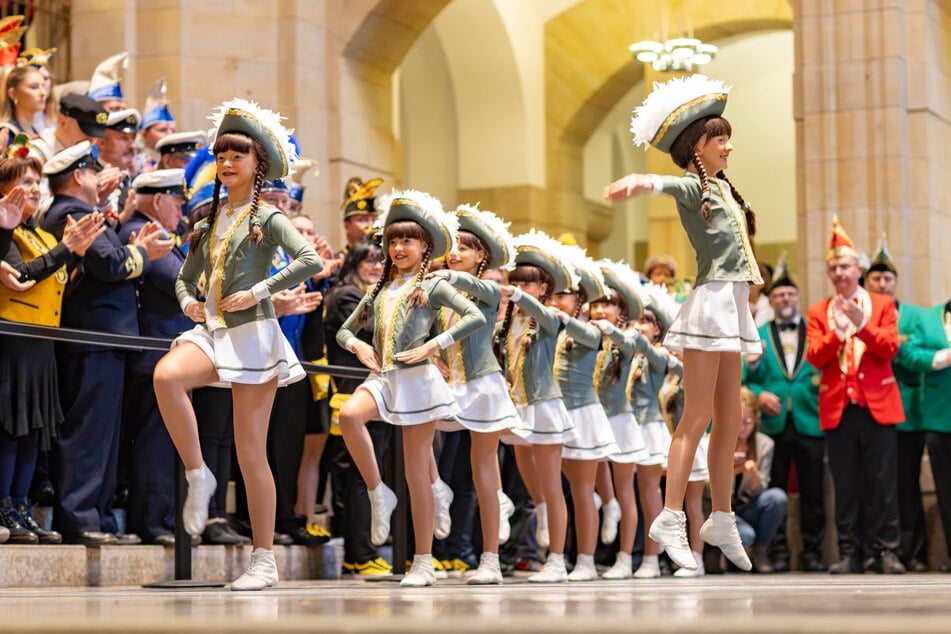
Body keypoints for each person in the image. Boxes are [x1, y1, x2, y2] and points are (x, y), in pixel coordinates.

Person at [152, 98, 322, 590]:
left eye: (238, 157)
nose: (226, 164)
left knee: (252, 454)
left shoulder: (267, 218)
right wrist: (188, 305)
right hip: (212, 332)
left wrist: (262, 289)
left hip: (254, 337)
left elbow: (310, 259)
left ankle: (263, 560)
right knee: (167, 376)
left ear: (257, 165)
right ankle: (198, 473)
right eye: (221, 156)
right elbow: (185, 278)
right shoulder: (207, 221)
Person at [605, 74, 761, 572]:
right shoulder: (695, 188)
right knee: (696, 415)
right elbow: (667, 184)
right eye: (720, 139)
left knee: (731, 419)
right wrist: (642, 181)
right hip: (712, 303)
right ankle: (672, 514)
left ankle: (721, 514)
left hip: (733, 306)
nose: (728, 147)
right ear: (698, 145)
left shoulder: (724, 189)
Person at [335, 189, 486, 587]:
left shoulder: (432, 287)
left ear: (425, 246)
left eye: (408, 240)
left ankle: (423, 561)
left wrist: (434, 345)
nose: (398, 248)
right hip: (383, 377)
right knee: (349, 416)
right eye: (392, 241)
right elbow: (343, 330)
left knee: (416, 473)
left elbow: (472, 316)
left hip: (418, 382)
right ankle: (377, 491)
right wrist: (359, 345)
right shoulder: (379, 288)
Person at [41, 141, 171, 546]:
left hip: (107, 337)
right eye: (94, 171)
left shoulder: (85, 214)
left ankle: (97, 516)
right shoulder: (71, 213)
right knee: (88, 433)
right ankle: (79, 517)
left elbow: (108, 256)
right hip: (91, 336)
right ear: (79, 176)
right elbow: (110, 265)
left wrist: (126, 223)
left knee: (105, 436)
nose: (102, 177)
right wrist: (144, 252)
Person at [0, 139, 104, 544]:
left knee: (34, 432)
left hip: (42, 343)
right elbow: (22, 277)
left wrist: (74, 254)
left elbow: (57, 283)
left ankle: (21, 505)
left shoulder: (38, 234)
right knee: (11, 428)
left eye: (36, 183)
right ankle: (4, 505)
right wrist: (67, 248)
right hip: (13, 341)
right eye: (24, 182)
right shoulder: (5, 236)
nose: (33, 190)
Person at [805, 216, 905, 574]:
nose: (839, 273)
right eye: (833, 267)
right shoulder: (819, 311)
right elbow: (814, 355)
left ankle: (886, 552)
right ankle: (850, 552)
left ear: (858, 268)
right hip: (838, 408)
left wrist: (861, 325)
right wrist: (837, 331)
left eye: (845, 266)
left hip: (877, 406)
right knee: (845, 486)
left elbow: (891, 348)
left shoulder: (881, 304)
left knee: (883, 485)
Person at [429, 204, 521, 584]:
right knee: (410, 431)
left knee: (484, 470)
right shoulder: (446, 289)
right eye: (451, 246)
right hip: (449, 386)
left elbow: (472, 287)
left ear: (481, 255)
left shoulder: (487, 289)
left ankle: (490, 560)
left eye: (463, 247)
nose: (454, 253)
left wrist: (437, 272)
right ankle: (438, 491)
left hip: (482, 385)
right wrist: (433, 357)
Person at [497, 229, 579, 583]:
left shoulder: (550, 315)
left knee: (551, 484)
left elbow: (540, 316)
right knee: (532, 486)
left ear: (544, 289)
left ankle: (557, 559)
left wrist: (516, 295)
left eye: (529, 284)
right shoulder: (509, 320)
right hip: (517, 406)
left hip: (543, 405)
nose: (521, 288)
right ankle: (541, 514)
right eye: (517, 281)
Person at [116, 169, 191, 546]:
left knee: (165, 440)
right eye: (177, 204)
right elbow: (179, 281)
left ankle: (160, 517)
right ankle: (151, 521)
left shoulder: (159, 232)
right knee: (154, 441)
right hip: (153, 354)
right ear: (158, 200)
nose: (181, 212)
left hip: (166, 355)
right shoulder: (140, 230)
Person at [743, 259, 826, 572]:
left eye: (790, 295)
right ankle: (776, 552)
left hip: (810, 420)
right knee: (774, 487)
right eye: (779, 296)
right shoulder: (757, 334)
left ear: (798, 298)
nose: (785, 300)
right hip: (772, 425)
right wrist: (759, 393)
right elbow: (746, 377)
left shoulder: (815, 332)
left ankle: (813, 554)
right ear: (771, 301)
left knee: (813, 492)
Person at [548, 247, 620, 582]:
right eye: (555, 294)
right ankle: (557, 555)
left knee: (580, 490)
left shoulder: (590, 330)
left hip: (583, 416)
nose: (557, 300)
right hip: (556, 414)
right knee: (556, 488)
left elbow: (577, 332)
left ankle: (587, 560)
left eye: (564, 295)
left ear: (579, 300)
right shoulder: (554, 329)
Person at [323, 238, 391, 576]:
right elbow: (377, 332)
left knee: (367, 473)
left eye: (382, 261)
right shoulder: (348, 295)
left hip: (372, 394)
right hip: (351, 395)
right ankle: (359, 554)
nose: (377, 267)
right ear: (354, 263)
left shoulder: (368, 293)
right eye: (370, 261)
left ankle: (363, 552)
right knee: (360, 477)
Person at [864, 236, 928, 572]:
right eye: (876, 278)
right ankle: (877, 551)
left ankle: (912, 552)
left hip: (906, 414)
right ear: (866, 281)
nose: (882, 283)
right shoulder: (859, 312)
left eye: (888, 278)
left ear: (896, 282)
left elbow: (914, 350)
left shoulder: (915, 315)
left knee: (906, 485)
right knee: (875, 485)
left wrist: (892, 344)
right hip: (870, 412)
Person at [589, 260, 649, 580]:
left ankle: (626, 557)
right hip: (593, 418)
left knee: (628, 492)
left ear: (621, 311)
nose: (600, 311)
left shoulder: (627, 337)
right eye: (596, 304)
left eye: (608, 305)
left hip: (621, 421)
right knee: (589, 471)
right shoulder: (587, 336)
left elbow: (627, 345)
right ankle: (606, 502)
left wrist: (610, 329)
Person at [897, 288, 951, 573]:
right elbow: (909, 353)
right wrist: (944, 357)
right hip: (939, 416)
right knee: (946, 490)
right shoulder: (929, 318)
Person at [732, 387, 788, 573]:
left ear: (756, 419)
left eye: (747, 421)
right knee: (746, 535)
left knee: (777, 497)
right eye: (737, 421)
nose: (742, 428)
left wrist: (753, 474)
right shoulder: (716, 441)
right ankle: (722, 553)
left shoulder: (764, 444)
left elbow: (761, 488)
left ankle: (760, 550)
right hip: (723, 511)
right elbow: (705, 489)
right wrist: (732, 471)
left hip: (747, 506)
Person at [134, 78, 176, 176]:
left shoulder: (175, 162)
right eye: (162, 130)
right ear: (144, 134)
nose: (169, 134)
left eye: (173, 130)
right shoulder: (136, 164)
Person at [0, 64, 48, 146]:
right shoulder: (7, 133)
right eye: (34, 87)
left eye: (43, 86)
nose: (43, 93)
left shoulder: (33, 129)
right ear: (13, 94)